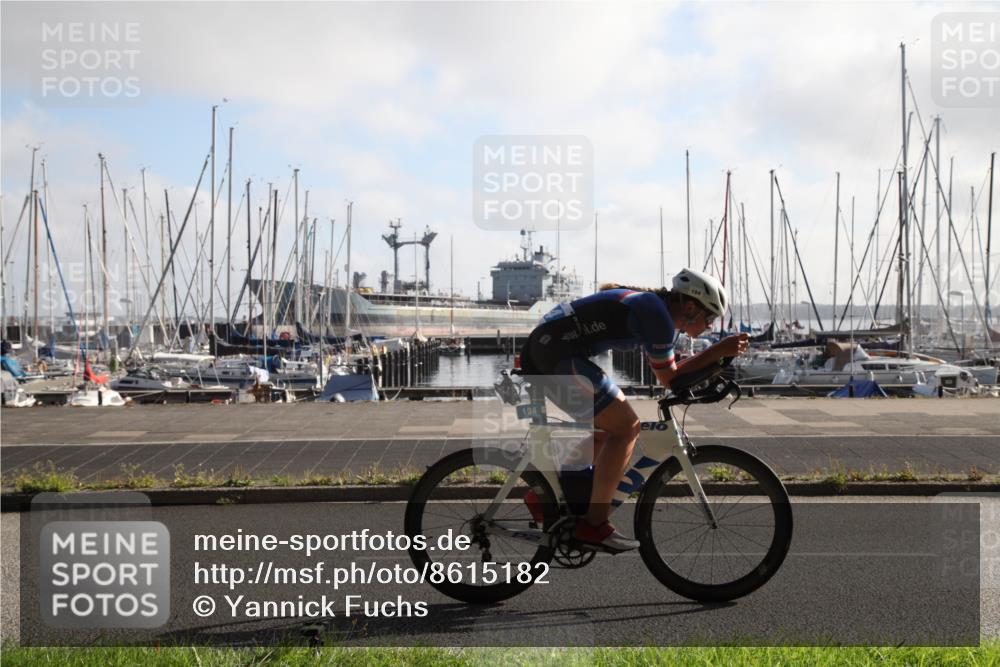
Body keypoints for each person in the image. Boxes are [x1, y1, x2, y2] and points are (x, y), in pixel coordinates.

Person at [518, 268, 749, 551]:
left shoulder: (655, 310)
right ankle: (594, 524)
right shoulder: (657, 316)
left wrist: (715, 358)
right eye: (710, 317)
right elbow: (669, 378)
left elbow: (670, 373)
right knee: (627, 427)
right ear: (690, 306)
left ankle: (551, 497)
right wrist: (717, 351)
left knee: (609, 428)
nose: (711, 326)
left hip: (552, 349)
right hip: (555, 351)